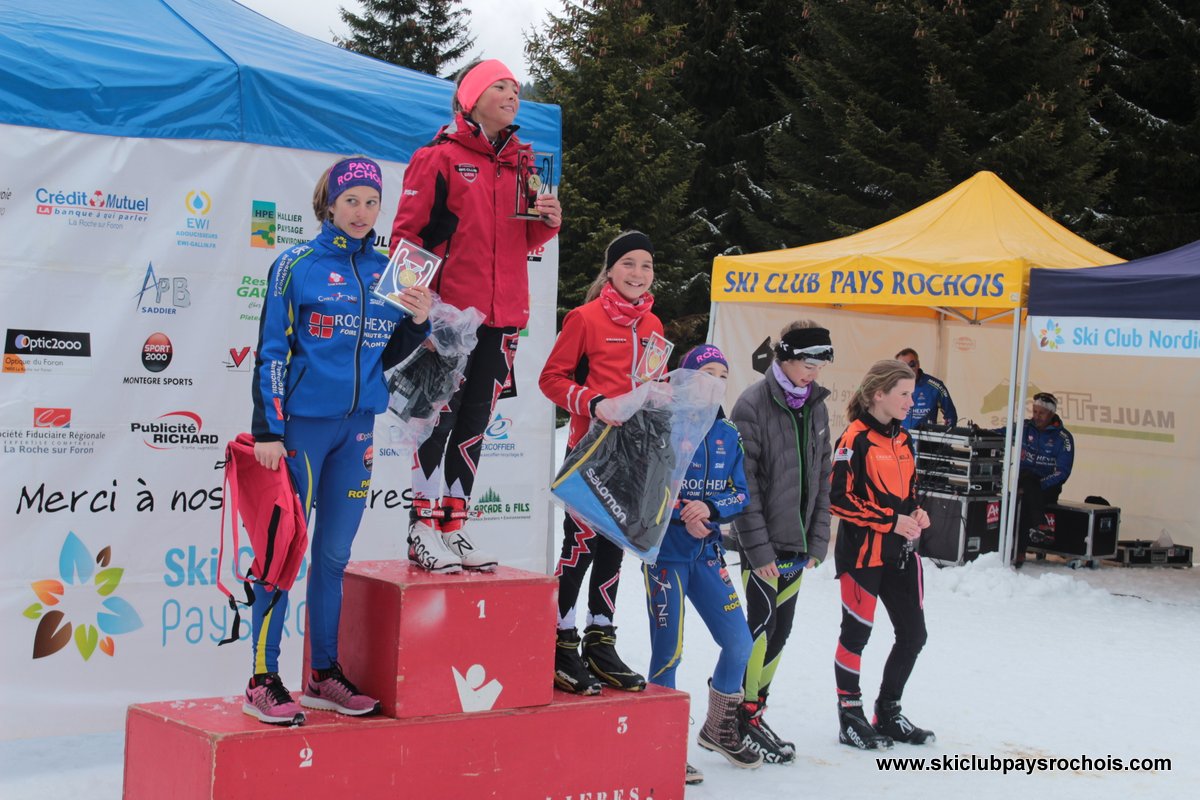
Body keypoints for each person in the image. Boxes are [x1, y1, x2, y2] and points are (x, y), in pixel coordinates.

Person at [247, 156, 434, 726]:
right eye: (351, 200)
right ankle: (262, 679)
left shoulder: (389, 272)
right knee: (282, 556)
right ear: (328, 203)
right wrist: (268, 429)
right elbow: (272, 350)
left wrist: (420, 323)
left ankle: (323, 674)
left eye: (371, 201)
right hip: (301, 430)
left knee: (333, 557)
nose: (361, 212)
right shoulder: (294, 264)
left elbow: (388, 357)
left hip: (357, 432)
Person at [390, 59, 562, 573]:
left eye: (514, 87)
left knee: (473, 427)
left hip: (501, 319)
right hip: (447, 318)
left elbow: (521, 240)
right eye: (500, 86)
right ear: (470, 98)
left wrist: (547, 224)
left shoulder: (521, 164)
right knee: (435, 420)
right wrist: (415, 310)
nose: (513, 93)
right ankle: (421, 528)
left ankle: (454, 524)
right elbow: (407, 235)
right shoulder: (437, 158)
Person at [539, 230, 661, 696]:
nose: (637, 273)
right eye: (628, 263)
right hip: (590, 454)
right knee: (580, 548)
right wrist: (594, 403)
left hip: (634, 459)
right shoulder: (584, 318)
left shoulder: (653, 327)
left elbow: (651, 384)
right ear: (610, 270)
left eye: (646, 266)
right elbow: (550, 379)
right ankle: (559, 641)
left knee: (614, 550)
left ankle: (599, 640)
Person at [643, 345, 762, 783]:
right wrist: (683, 513)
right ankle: (662, 743)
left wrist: (708, 509)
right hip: (666, 556)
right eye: (705, 373)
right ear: (685, 378)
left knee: (739, 645)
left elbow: (740, 494)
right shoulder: (661, 422)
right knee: (668, 652)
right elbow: (645, 488)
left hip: (707, 553)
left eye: (722, 374)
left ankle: (718, 728)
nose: (714, 381)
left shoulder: (729, 433)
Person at [728, 321, 834, 764]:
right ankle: (738, 716)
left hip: (797, 544)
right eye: (807, 362)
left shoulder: (818, 406)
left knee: (782, 632)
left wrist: (818, 540)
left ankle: (757, 709)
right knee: (759, 629)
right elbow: (743, 486)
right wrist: (759, 550)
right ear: (784, 357)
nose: (812, 372)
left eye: (820, 364)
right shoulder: (752, 404)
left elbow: (823, 478)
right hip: (764, 546)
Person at [829, 359, 935, 750]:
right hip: (862, 555)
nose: (911, 401)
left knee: (914, 634)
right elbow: (837, 499)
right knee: (856, 634)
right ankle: (850, 716)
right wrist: (890, 520)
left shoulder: (904, 439)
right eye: (904, 394)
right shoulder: (853, 438)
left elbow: (910, 493)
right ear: (878, 395)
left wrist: (918, 512)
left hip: (901, 555)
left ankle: (887, 712)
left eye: (912, 393)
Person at [1011, 391, 1074, 567]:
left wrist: (1040, 484)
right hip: (1023, 482)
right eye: (1035, 411)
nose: (1036, 416)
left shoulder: (1064, 438)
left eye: (1042, 413)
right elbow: (1003, 433)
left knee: (1027, 493)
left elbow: (1063, 472)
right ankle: (1040, 524)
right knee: (1025, 486)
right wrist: (980, 431)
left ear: (1052, 414)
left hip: (1047, 487)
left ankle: (1019, 553)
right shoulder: (1025, 427)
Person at [894, 348, 957, 429]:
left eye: (911, 364)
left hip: (926, 440)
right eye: (903, 367)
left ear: (918, 364)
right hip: (899, 439)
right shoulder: (893, 387)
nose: (908, 369)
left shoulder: (935, 386)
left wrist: (944, 438)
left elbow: (951, 415)